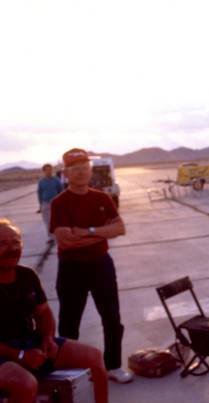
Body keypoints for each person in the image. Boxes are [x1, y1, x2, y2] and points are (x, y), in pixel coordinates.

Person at [0, 219, 123, 403]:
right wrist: (20, 355)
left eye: (16, 241)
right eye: (2, 243)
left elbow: (44, 313)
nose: (11, 248)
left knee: (93, 358)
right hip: (4, 351)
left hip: (29, 342)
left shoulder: (26, 275)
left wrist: (47, 338)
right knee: (26, 385)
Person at [49, 148, 132, 384]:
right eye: (75, 169)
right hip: (72, 268)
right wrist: (103, 234)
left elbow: (120, 228)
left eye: (84, 168)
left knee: (112, 318)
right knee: (69, 322)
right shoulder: (60, 203)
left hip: (101, 266)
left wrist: (87, 232)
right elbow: (66, 239)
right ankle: (70, 372)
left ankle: (113, 366)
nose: (81, 173)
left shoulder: (102, 198)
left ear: (90, 170)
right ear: (66, 173)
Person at [36, 163, 63, 243]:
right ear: (44, 171)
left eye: (50, 169)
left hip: (56, 203)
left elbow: (61, 191)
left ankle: (59, 235)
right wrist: (40, 205)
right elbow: (39, 193)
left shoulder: (56, 180)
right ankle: (51, 237)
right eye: (47, 170)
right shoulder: (41, 182)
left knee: (57, 220)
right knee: (47, 221)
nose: (49, 171)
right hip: (45, 203)